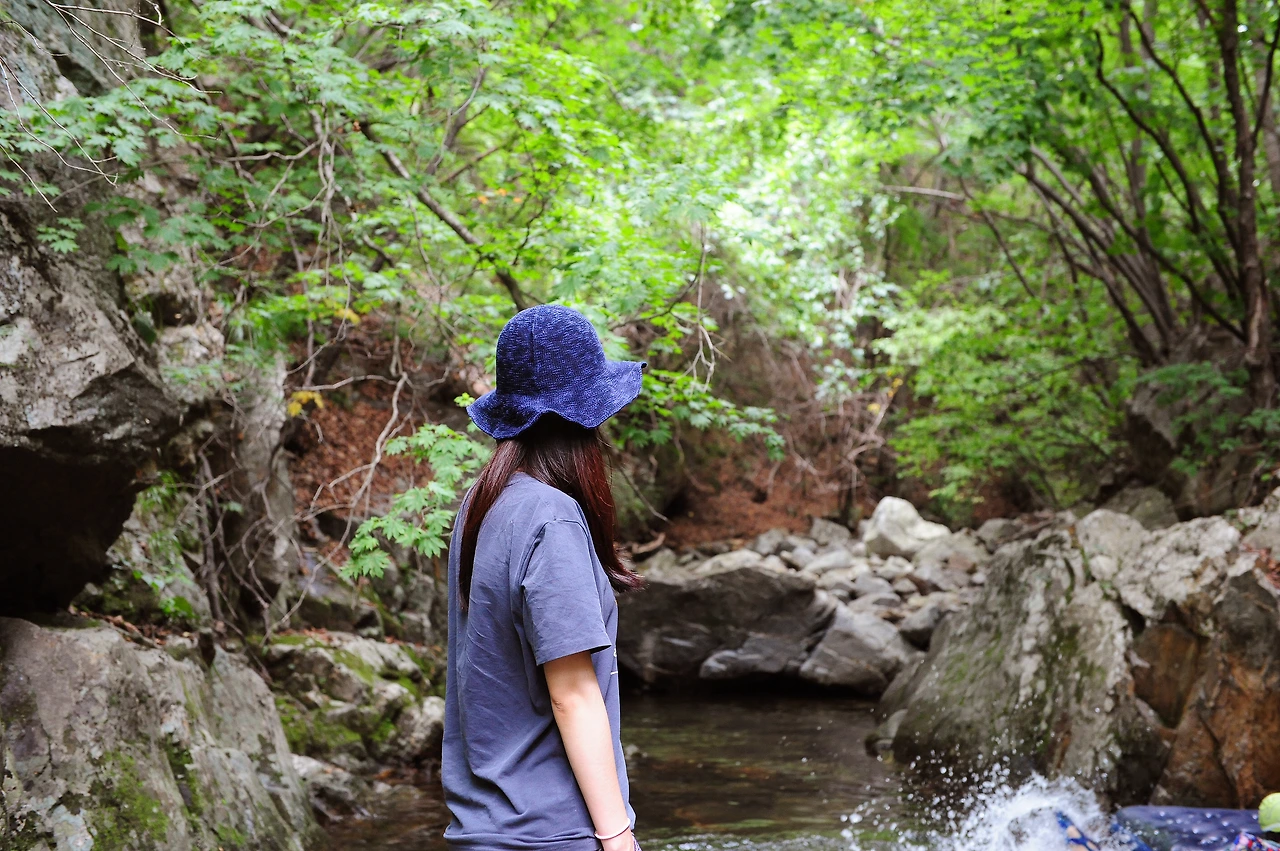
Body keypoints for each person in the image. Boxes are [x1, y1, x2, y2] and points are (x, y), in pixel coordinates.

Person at [442, 304, 646, 851]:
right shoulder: (551, 518)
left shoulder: (481, 504)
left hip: (481, 830)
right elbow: (572, 694)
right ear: (584, 418)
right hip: (554, 833)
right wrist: (618, 836)